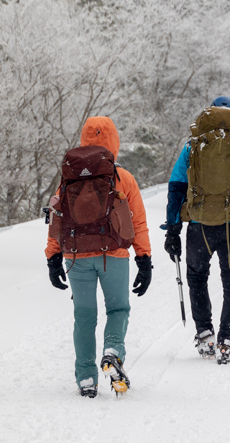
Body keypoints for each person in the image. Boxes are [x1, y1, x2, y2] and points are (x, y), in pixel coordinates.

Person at [45, 116, 152, 397]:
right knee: (118, 309)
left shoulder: (68, 178)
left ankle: (86, 379)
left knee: (84, 316)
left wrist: (53, 257)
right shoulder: (123, 177)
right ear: (114, 140)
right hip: (113, 254)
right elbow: (138, 221)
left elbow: (56, 217)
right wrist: (144, 258)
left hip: (76, 255)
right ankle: (113, 350)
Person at [163, 96, 230, 364]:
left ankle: (205, 332)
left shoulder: (192, 148)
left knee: (197, 278)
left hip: (199, 227)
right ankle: (227, 338)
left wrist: (173, 230)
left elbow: (176, 188)